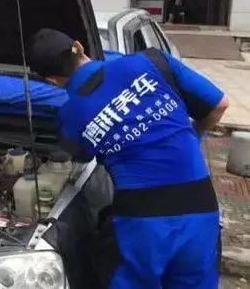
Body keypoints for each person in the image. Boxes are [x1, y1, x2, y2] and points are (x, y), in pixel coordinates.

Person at [28, 28, 229, 289]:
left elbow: (81, 156)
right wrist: (194, 136)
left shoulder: (71, 116)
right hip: (199, 207)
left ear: (52, 81)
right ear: (79, 46)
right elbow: (219, 104)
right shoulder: (152, 61)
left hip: (141, 222)